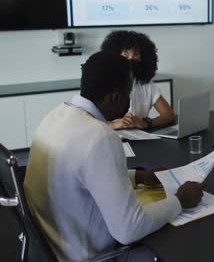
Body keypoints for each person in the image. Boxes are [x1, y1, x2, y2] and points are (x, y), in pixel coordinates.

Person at [24, 52, 204, 262]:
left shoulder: (56, 115)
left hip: (50, 246)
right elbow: (129, 229)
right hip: (89, 256)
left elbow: (80, 173)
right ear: (115, 97)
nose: (130, 100)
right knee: (183, 248)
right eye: (129, 93)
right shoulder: (99, 136)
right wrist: (180, 200)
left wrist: (140, 177)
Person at [101, 30, 176, 130]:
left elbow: (169, 114)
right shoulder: (103, 84)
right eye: (125, 54)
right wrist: (113, 125)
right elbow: (88, 121)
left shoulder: (146, 85)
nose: (130, 59)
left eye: (136, 55)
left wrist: (146, 123)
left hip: (139, 139)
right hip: (109, 138)